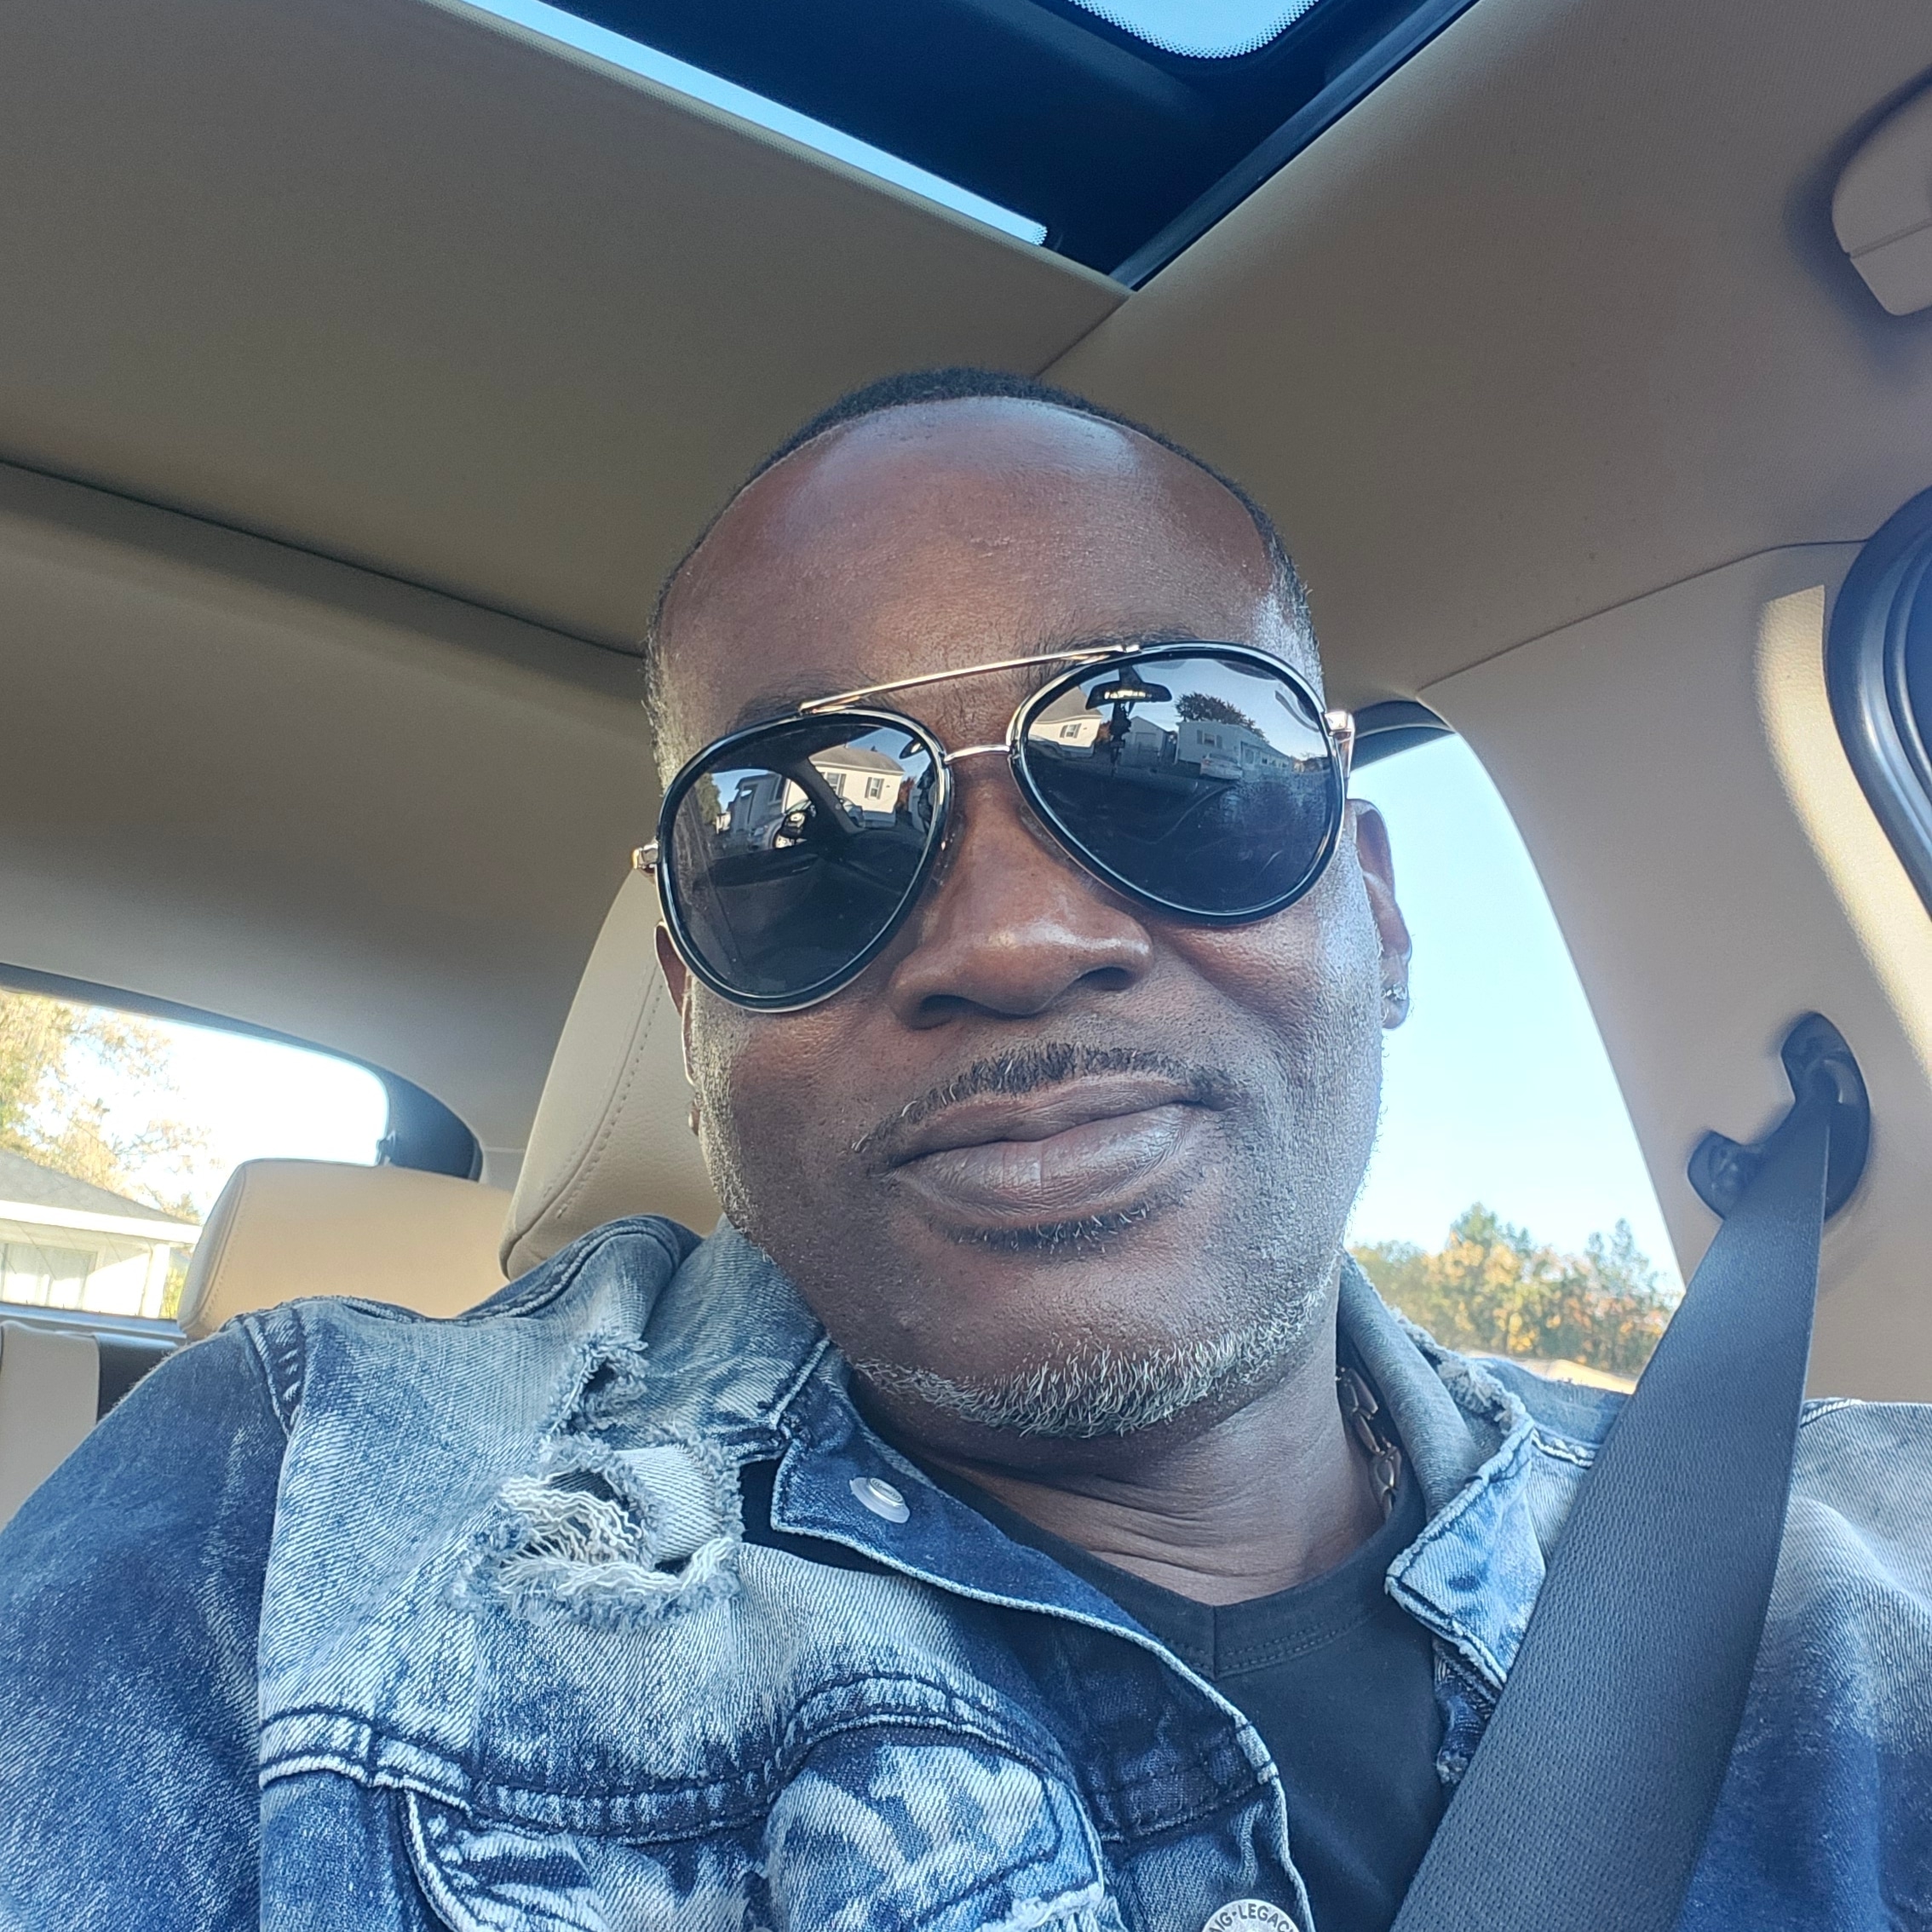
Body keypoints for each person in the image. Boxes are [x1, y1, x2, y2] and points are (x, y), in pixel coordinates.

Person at [1, 368, 1926, 1932]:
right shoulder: (294, 1506)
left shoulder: (1853, 1574)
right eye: (797, 837)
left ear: (1376, 905)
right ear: (692, 1010)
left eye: (1171, 758)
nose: (1012, 940)